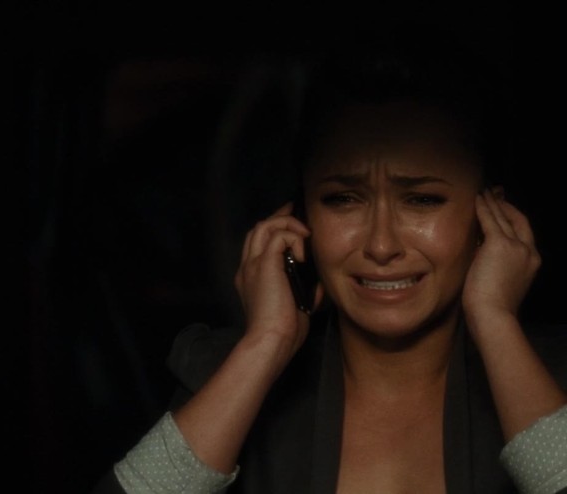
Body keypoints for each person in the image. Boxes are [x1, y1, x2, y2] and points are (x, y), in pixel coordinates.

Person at [92, 28, 567, 494]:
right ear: (300, 217)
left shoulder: (547, 380)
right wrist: (267, 342)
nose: (381, 245)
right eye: (343, 199)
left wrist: (495, 322)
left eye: (422, 200)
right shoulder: (234, 375)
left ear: (493, 217)